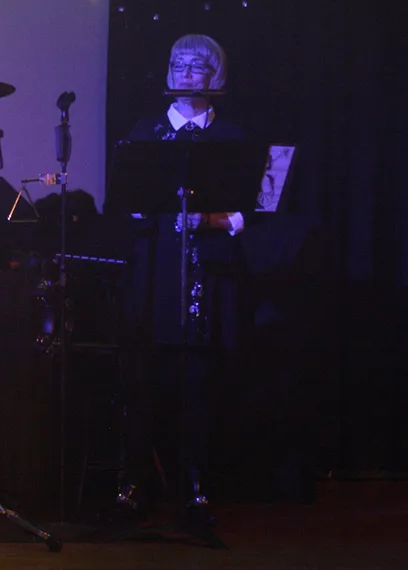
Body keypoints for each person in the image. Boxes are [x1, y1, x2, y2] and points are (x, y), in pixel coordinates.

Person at [116, 34, 250, 526]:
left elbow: (249, 212)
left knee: (199, 381)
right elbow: (128, 204)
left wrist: (208, 219)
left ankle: (195, 482)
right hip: (156, 269)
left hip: (208, 272)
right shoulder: (145, 131)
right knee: (145, 377)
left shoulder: (231, 137)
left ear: (216, 74)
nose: (186, 73)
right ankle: (138, 479)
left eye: (198, 66)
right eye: (178, 64)